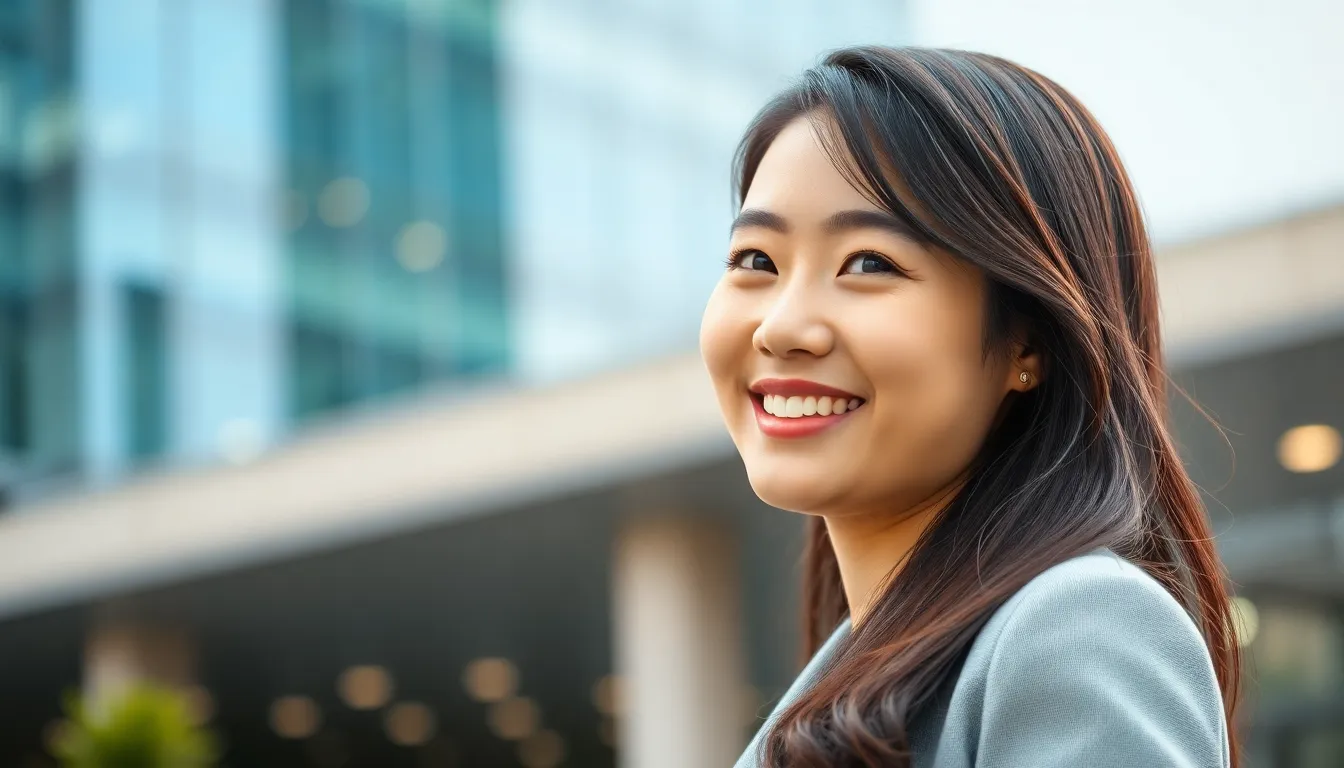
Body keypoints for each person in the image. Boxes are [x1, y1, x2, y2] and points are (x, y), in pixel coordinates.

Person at [700, 46, 1239, 768]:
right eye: (755, 260)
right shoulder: (836, 695)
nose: (783, 327)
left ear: (1029, 342)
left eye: (869, 263)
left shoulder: (1075, 629)